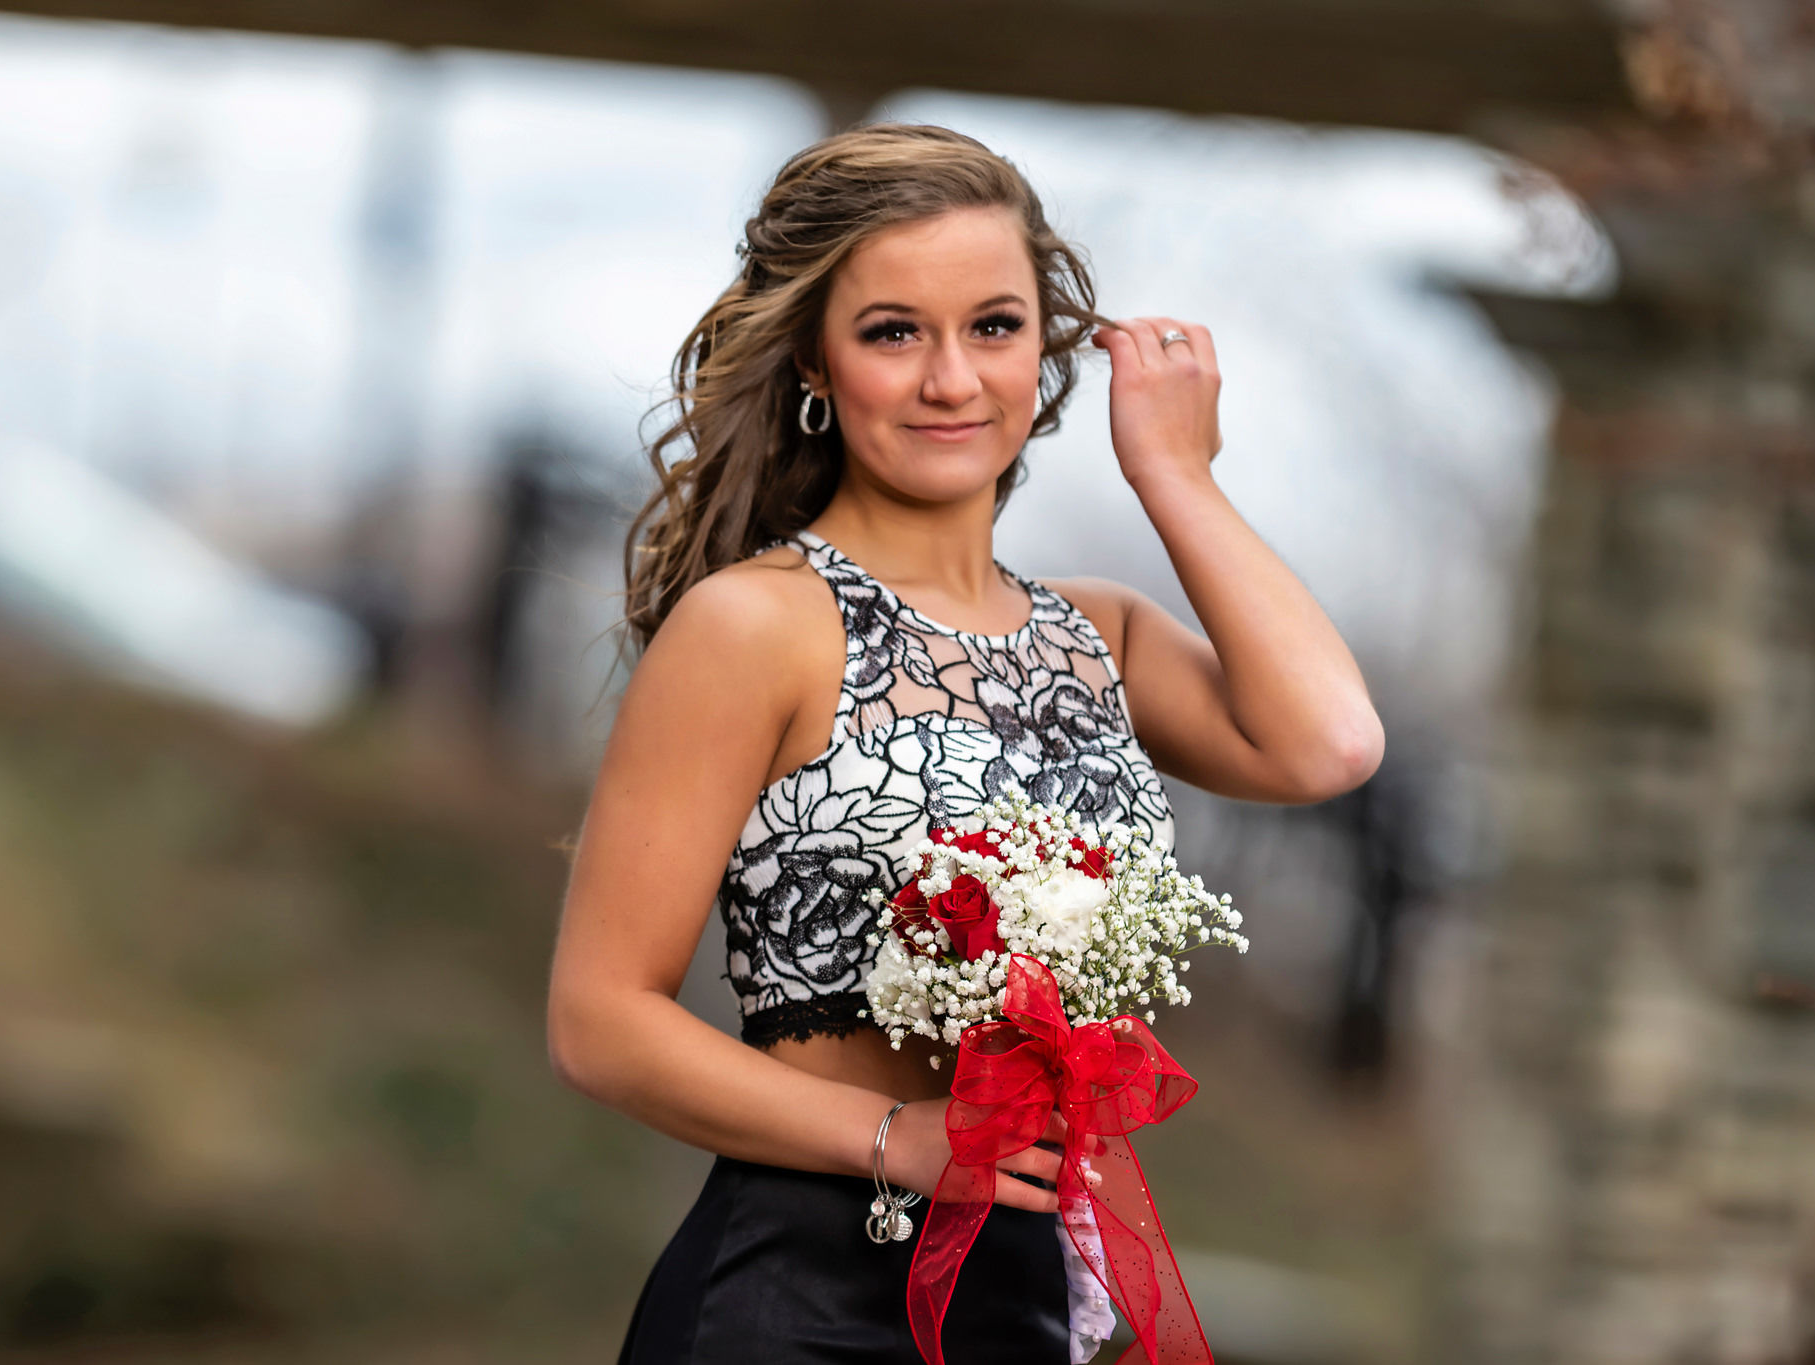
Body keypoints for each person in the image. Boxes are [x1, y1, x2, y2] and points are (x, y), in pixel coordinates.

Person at [547, 122, 1383, 1364]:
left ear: (1043, 348)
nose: (952, 380)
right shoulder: (754, 629)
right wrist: (896, 1144)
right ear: (816, 365)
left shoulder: (1099, 634)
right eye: (894, 332)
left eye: (992, 326)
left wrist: (1175, 474)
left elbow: (1327, 745)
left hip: (1017, 1290)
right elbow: (599, 1021)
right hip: (792, 1303)